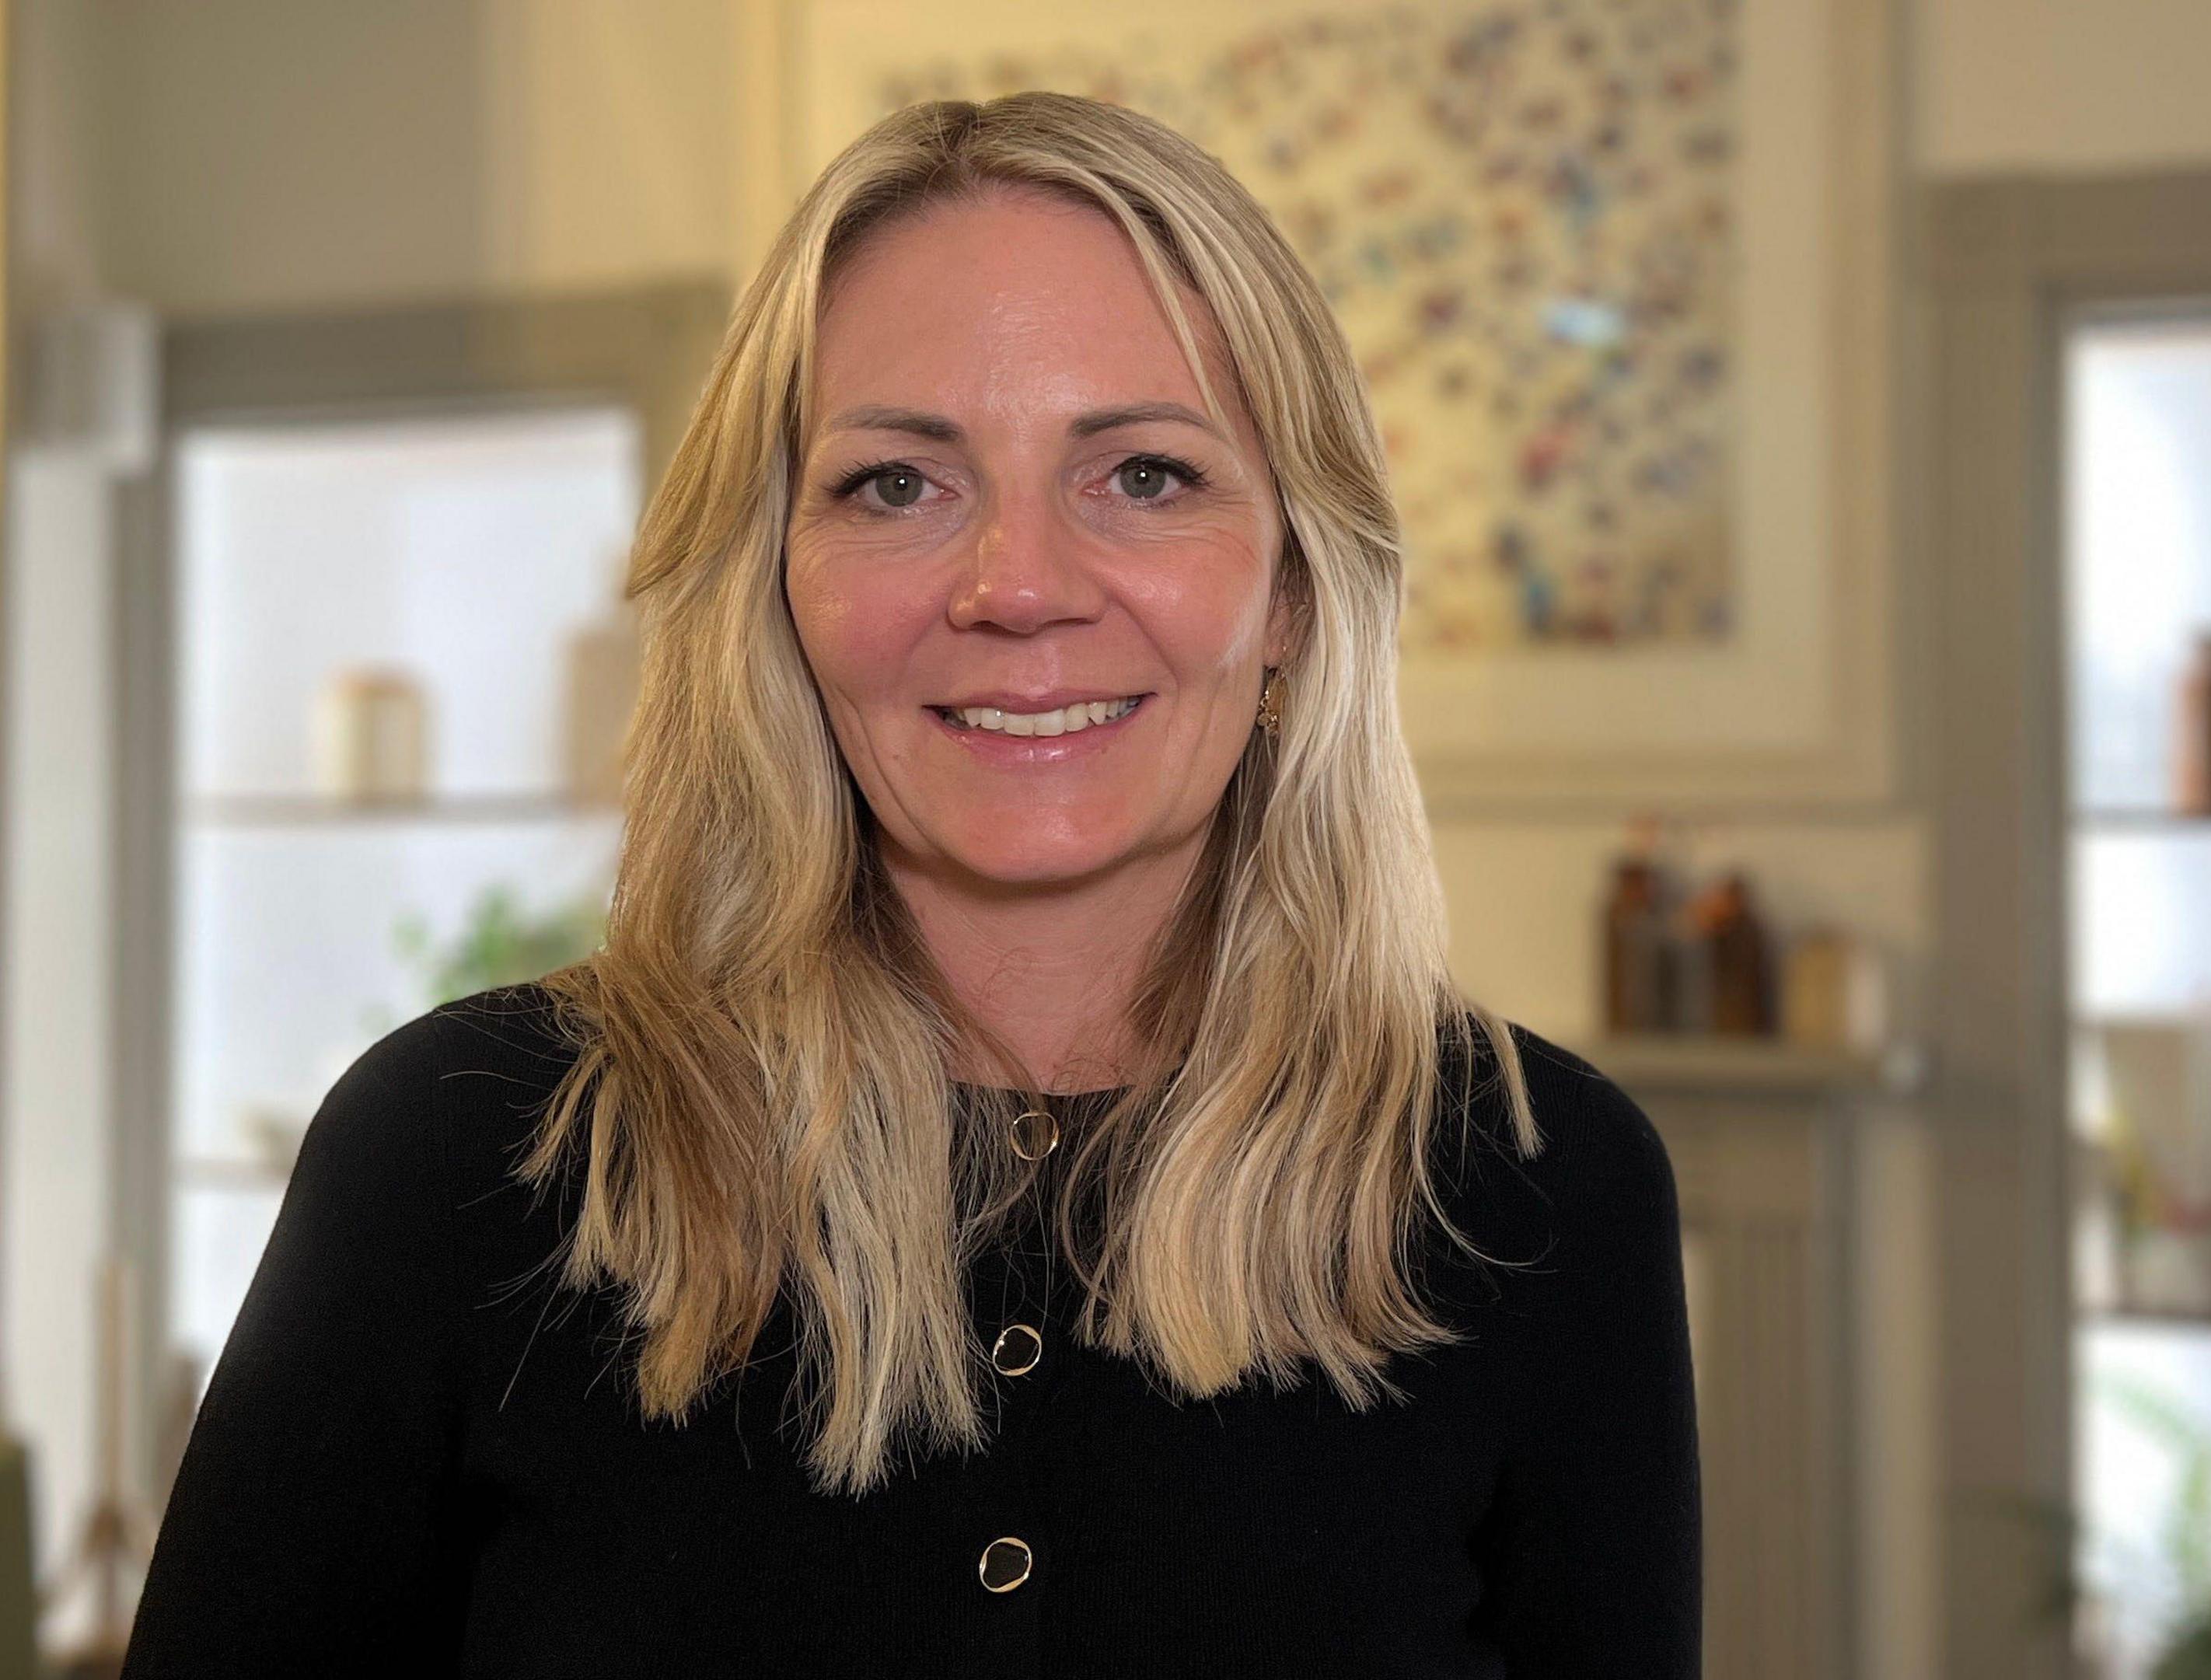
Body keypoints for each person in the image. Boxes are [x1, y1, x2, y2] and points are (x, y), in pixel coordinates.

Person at [121, 93, 1699, 1677]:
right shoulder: (454, 1155)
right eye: (895, 484)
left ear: (1291, 584)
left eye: (1144, 475)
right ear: (776, 581)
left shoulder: (1543, 1193)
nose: (1017, 588)